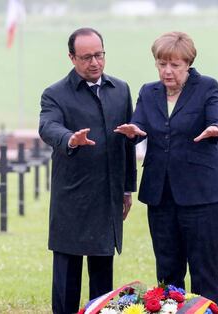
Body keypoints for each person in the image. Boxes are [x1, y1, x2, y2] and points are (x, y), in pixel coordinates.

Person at [115, 31, 218, 305]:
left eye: (174, 65)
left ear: (188, 64)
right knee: (167, 271)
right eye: (161, 64)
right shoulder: (148, 91)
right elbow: (140, 124)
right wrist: (134, 131)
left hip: (202, 195)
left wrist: (217, 130)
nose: (167, 71)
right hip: (161, 195)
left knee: (204, 271)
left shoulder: (207, 87)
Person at [39, 27, 137, 314]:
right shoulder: (55, 93)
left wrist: (127, 188)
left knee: (103, 279)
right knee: (67, 275)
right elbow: (48, 126)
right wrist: (70, 138)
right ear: (71, 58)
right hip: (72, 198)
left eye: (99, 55)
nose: (94, 63)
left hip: (108, 196)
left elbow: (127, 144)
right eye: (86, 57)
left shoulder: (120, 90)